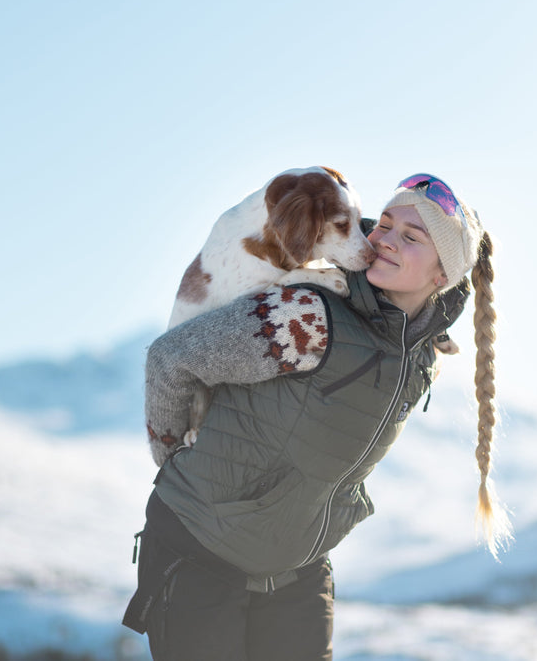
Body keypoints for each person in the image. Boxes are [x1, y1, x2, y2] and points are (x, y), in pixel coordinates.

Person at [123, 173, 511, 661]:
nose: (383, 240)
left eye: (410, 237)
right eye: (385, 223)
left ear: (442, 276)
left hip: (297, 572)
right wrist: (171, 460)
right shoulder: (305, 311)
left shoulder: (419, 353)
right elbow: (171, 357)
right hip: (200, 553)